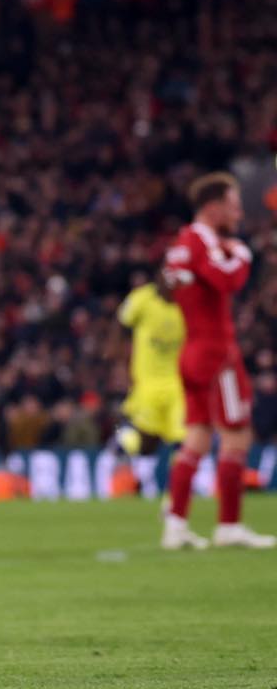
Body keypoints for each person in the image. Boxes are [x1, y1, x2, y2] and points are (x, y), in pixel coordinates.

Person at [160, 173, 274, 550]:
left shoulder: (182, 241)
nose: (239, 212)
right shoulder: (203, 240)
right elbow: (227, 280)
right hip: (216, 352)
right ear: (213, 207)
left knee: (197, 437)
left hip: (193, 349)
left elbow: (170, 283)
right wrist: (242, 253)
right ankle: (228, 525)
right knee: (237, 433)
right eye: (234, 203)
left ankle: (176, 525)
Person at [113, 271, 186, 457]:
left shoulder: (189, 303)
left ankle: (182, 484)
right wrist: (119, 363)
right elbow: (120, 324)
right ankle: (119, 457)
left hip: (179, 383)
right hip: (146, 381)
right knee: (143, 442)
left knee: (183, 441)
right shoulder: (141, 299)